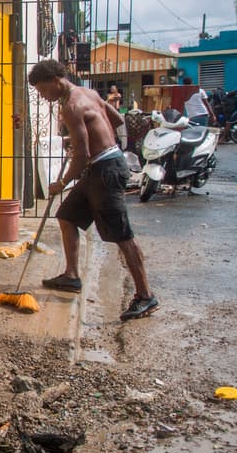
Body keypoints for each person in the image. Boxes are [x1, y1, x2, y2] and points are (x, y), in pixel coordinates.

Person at [28, 59, 158, 321]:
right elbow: (118, 120)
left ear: (55, 81)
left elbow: (83, 153)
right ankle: (71, 275)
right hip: (100, 166)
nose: (43, 96)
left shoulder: (71, 107)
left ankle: (146, 296)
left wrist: (61, 183)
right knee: (67, 216)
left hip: (105, 171)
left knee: (123, 236)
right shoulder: (89, 94)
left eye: (43, 91)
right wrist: (80, 136)